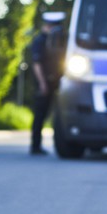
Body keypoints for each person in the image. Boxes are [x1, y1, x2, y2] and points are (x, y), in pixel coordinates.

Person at [29, 12, 66, 155]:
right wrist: (42, 83)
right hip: (44, 83)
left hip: (56, 82)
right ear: (48, 26)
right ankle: (35, 145)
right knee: (40, 114)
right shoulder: (40, 40)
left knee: (56, 114)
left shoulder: (58, 40)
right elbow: (36, 64)